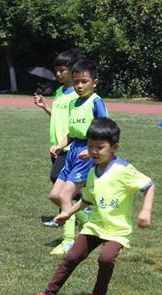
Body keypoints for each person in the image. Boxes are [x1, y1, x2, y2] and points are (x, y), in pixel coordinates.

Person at [32, 118, 155, 295]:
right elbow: (87, 200)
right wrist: (68, 213)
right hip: (95, 225)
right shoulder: (92, 172)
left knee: (105, 259)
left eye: (100, 147)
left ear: (114, 147)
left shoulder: (123, 170)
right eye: (90, 147)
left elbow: (149, 185)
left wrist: (145, 211)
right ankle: (48, 294)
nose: (94, 152)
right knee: (72, 256)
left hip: (117, 230)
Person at [48, 59, 109, 255]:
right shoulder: (74, 103)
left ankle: (68, 241)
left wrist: (93, 151)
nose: (79, 86)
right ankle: (90, 224)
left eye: (84, 81)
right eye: (76, 82)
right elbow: (72, 133)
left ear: (95, 82)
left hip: (87, 154)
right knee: (55, 195)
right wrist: (59, 145)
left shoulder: (96, 102)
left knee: (65, 195)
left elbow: (106, 130)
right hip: (73, 152)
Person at [33, 49, 82, 227]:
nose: (59, 74)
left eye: (63, 70)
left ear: (73, 70)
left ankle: (83, 205)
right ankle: (64, 216)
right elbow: (58, 116)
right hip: (56, 145)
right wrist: (45, 107)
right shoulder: (60, 91)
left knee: (57, 178)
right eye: (57, 70)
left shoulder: (77, 95)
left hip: (69, 146)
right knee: (62, 182)